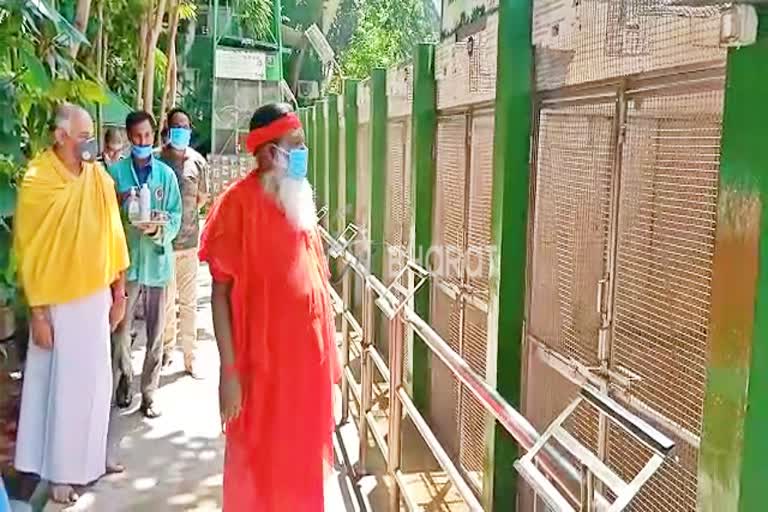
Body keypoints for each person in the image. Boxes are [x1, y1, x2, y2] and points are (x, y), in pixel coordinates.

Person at [199, 103, 340, 511]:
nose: (302, 153)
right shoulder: (236, 205)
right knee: (258, 473)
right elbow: (220, 294)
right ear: (268, 152)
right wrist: (229, 373)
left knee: (302, 473)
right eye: (295, 144)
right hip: (260, 375)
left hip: (305, 375)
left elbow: (316, 286)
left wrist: (329, 363)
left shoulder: (299, 199)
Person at [12, 104, 129, 504]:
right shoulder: (38, 180)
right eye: (83, 136)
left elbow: (114, 237)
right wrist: (39, 312)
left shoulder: (97, 177)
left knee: (96, 384)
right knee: (60, 389)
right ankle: (61, 473)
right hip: (57, 303)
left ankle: (92, 460)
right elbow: (30, 251)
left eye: (91, 135)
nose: (90, 144)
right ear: (61, 136)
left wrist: (119, 292)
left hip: (96, 296)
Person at [108, 110, 182, 418]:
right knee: (121, 331)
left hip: (158, 262)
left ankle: (149, 393)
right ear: (128, 138)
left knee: (156, 333)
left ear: (154, 136)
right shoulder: (116, 175)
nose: (142, 141)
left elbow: (176, 215)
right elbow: (107, 218)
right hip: (127, 266)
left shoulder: (165, 175)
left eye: (147, 136)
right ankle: (124, 378)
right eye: (137, 136)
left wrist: (159, 229)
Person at [158, 108, 210, 377]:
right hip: (163, 244)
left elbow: (201, 199)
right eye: (177, 126)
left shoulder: (197, 162)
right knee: (166, 302)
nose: (182, 131)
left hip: (189, 244)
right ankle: (167, 350)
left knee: (189, 303)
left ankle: (190, 357)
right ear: (168, 129)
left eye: (186, 126)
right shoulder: (157, 160)